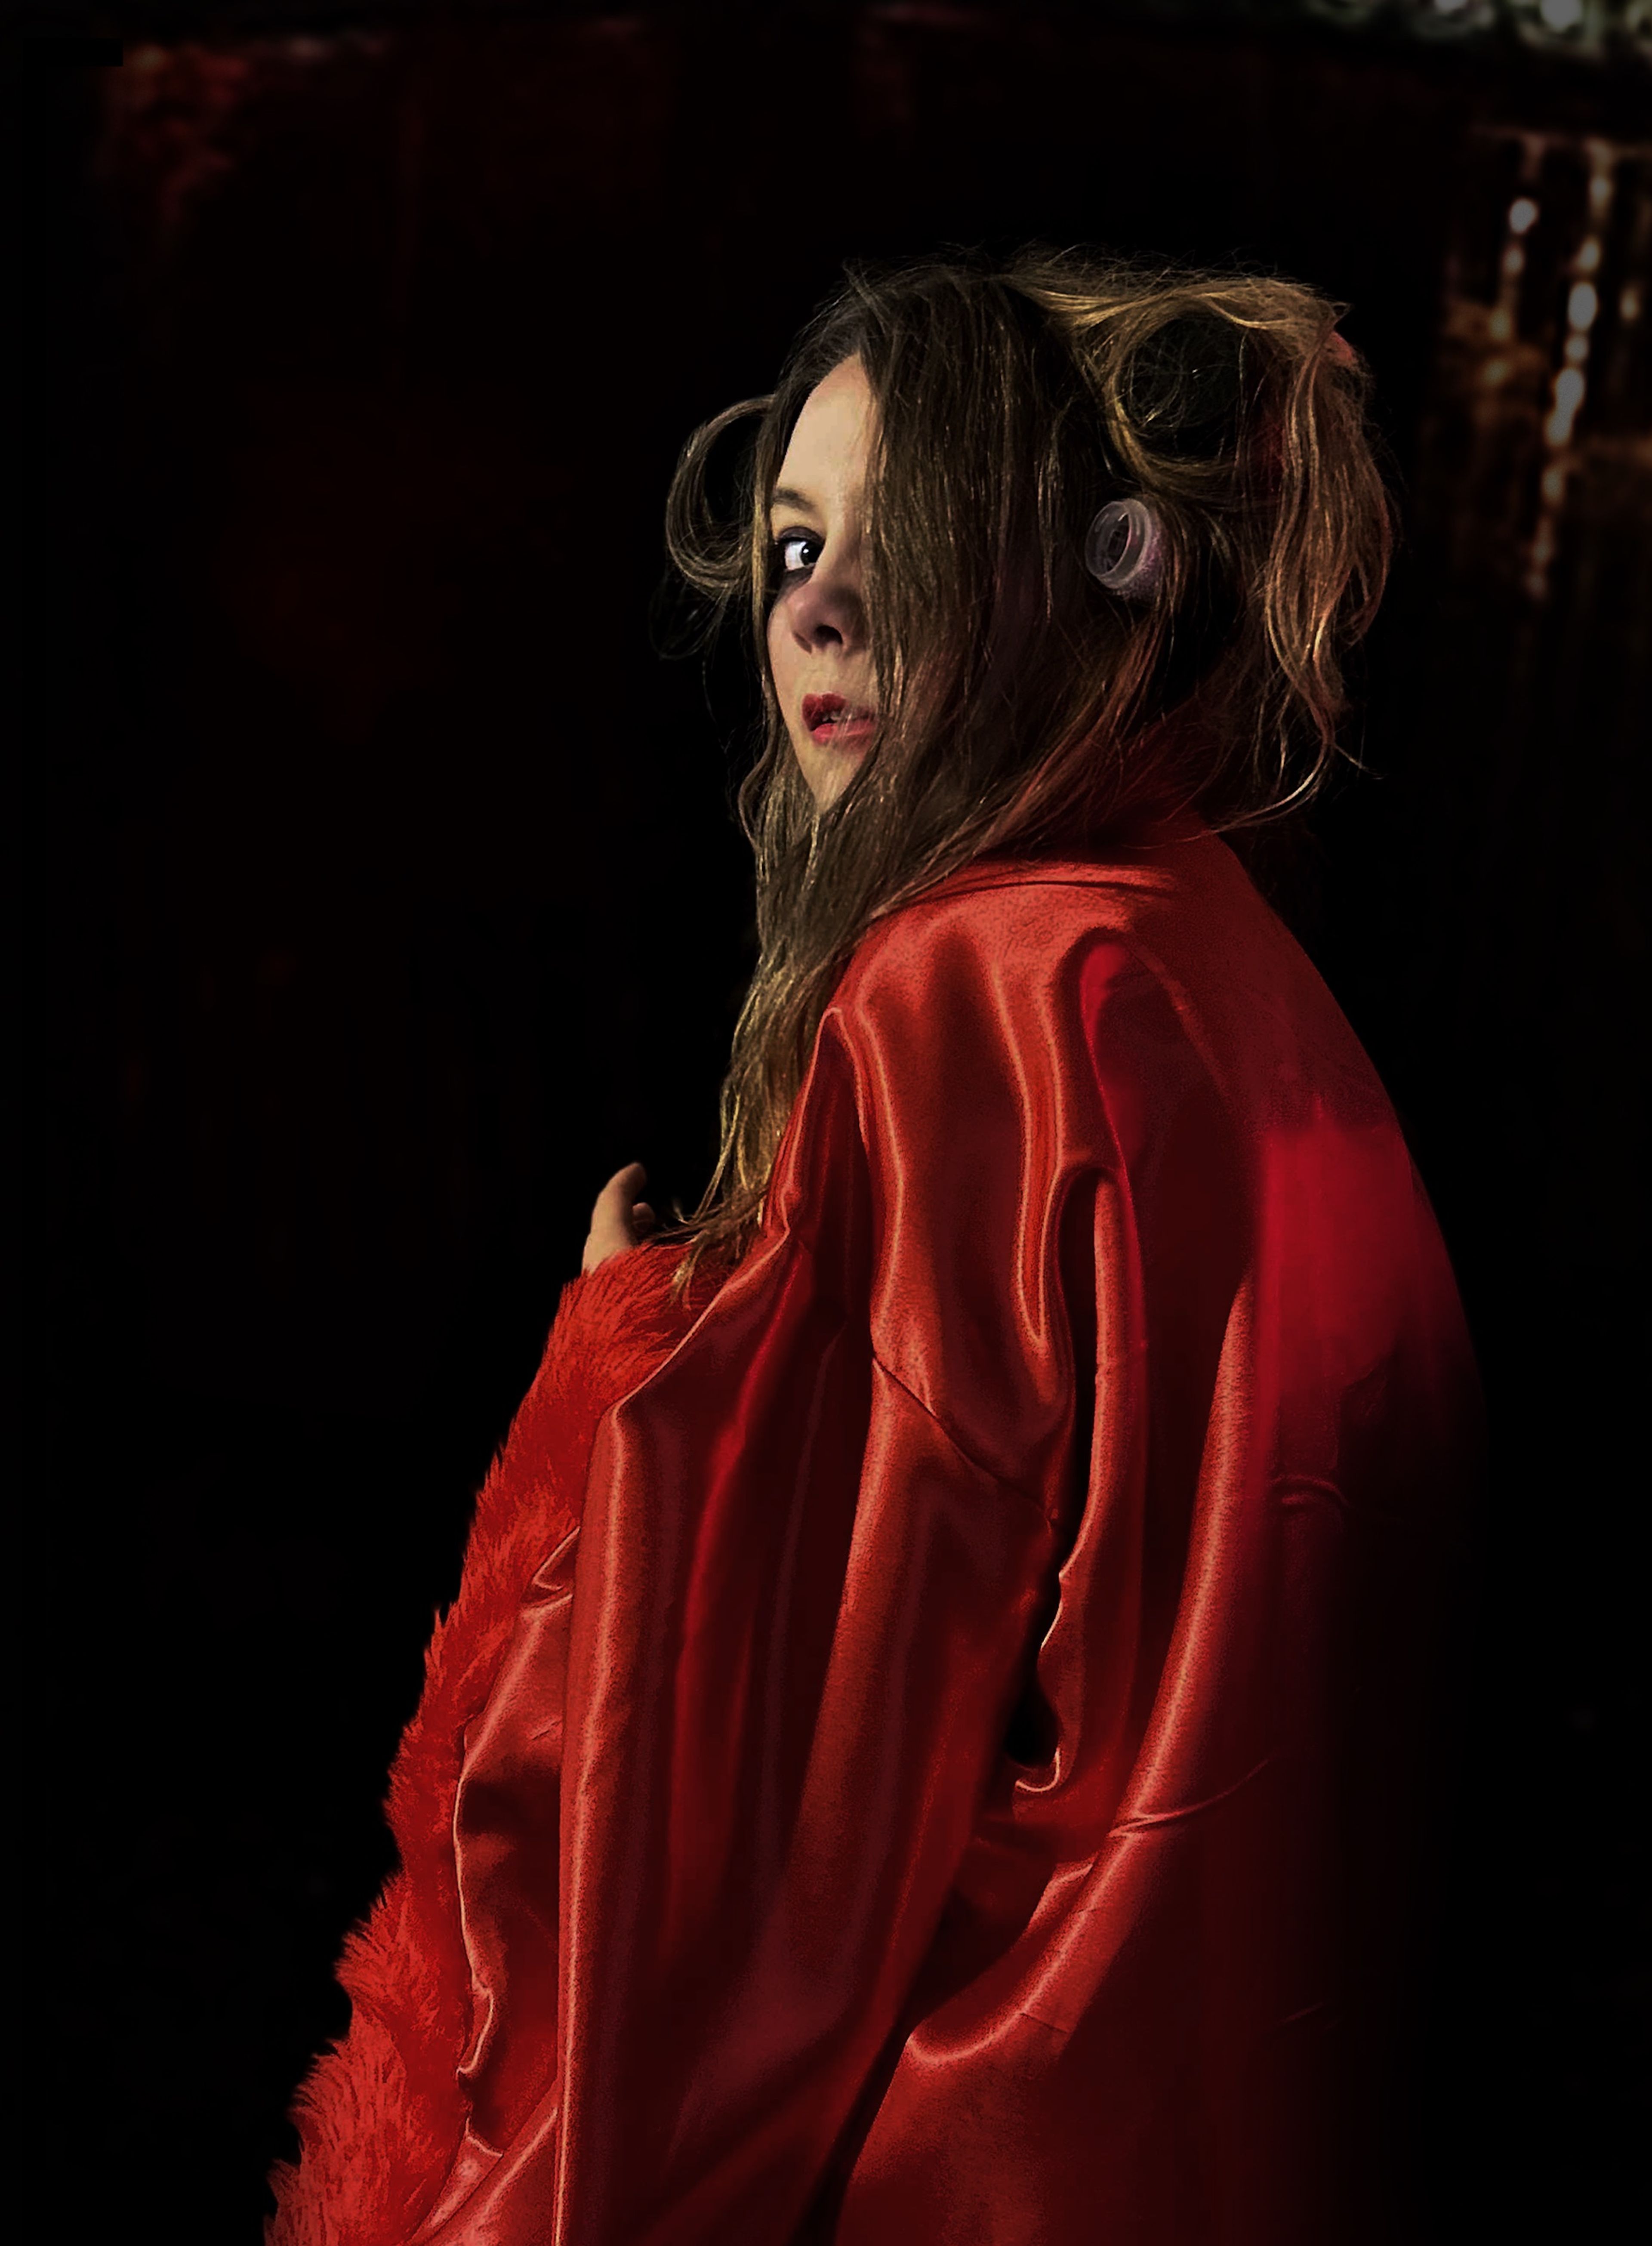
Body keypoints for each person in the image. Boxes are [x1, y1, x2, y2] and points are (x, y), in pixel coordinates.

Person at [267, 249, 1482, 2246]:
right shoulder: (1204, 950)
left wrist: (614, 1381)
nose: (815, 605)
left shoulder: (972, 996)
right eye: (797, 540)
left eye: (900, 541)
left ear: (1060, 573)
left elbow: (749, 1854)